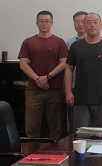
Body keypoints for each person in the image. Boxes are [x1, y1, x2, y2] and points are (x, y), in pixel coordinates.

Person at [18, 11, 68, 149]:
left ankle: (56, 155)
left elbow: (64, 63)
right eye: (41, 21)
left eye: (47, 21)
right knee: (32, 128)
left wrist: (48, 77)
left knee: (56, 128)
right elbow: (23, 64)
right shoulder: (28, 42)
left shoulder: (59, 42)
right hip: (33, 90)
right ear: (37, 23)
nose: (44, 23)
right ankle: (32, 156)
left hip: (55, 90)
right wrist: (38, 79)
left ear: (52, 23)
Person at [65, 12, 102, 129]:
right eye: (88, 22)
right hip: (81, 98)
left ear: (101, 25)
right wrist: (68, 92)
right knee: (80, 133)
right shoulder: (76, 46)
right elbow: (69, 69)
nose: (92, 25)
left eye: (95, 22)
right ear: (84, 25)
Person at [65, 11, 87, 133]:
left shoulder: (100, 42)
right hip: (74, 87)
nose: (80, 24)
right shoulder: (69, 43)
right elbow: (67, 67)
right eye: (76, 22)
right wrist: (68, 90)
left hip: (94, 88)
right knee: (76, 124)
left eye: (83, 21)